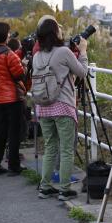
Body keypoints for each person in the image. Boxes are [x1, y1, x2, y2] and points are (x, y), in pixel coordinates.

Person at [33, 15, 88, 201]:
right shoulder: (63, 52)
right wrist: (83, 51)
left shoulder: (37, 56)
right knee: (65, 149)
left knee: (50, 148)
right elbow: (82, 72)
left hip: (43, 108)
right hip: (63, 106)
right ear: (55, 33)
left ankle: (45, 187)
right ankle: (64, 189)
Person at [0, 22, 27, 176]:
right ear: (4, 35)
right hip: (13, 98)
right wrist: (24, 65)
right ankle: (14, 165)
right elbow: (19, 75)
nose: (9, 35)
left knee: (1, 132)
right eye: (8, 33)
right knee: (14, 133)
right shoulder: (9, 54)